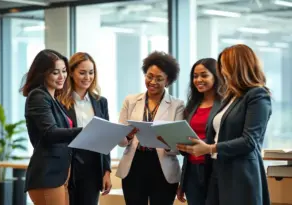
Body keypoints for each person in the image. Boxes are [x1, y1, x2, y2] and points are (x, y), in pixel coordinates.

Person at [177, 44, 272, 205]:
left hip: (240, 174)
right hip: (218, 171)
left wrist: (209, 148)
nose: (222, 72)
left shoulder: (257, 95)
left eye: (224, 67)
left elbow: (249, 141)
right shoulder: (231, 97)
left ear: (238, 67)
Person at [116, 51, 184, 205]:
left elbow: (178, 146)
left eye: (159, 79)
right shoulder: (131, 100)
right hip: (134, 164)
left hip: (162, 167)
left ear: (168, 81)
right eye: (149, 76)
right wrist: (127, 136)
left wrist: (165, 142)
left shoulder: (177, 105)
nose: (152, 82)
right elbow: (120, 140)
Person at [20, 49, 82, 205]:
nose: (62, 77)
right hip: (47, 175)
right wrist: (85, 131)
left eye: (63, 71)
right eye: (55, 73)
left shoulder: (53, 99)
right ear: (43, 73)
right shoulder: (38, 96)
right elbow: (50, 133)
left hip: (59, 174)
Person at [58, 52, 111, 205]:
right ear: (71, 73)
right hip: (67, 166)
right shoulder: (59, 101)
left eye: (91, 72)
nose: (87, 77)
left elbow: (106, 138)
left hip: (92, 167)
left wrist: (106, 171)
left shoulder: (100, 102)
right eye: (82, 73)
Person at [177, 58, 221, 205]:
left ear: (216, 76)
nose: (198, 80)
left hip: (214, 169)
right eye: (195, 76)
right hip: (192, 170)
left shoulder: (225, 105)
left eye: (204, 75)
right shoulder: (192, 106)